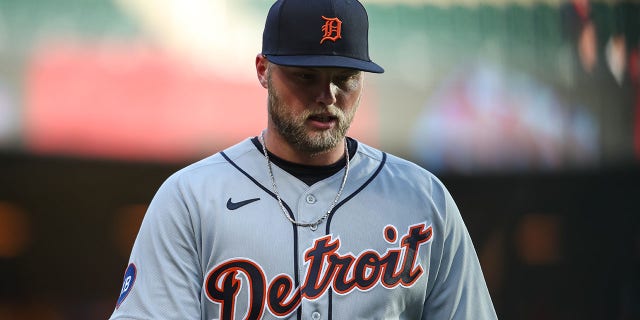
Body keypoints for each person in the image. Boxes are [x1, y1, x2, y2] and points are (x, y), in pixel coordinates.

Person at [109, 0, 497, 319]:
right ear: (264, 71)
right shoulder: (190, 198)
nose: (326, 95)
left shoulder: (425, 200)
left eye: (344, 78)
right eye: (306, 76)